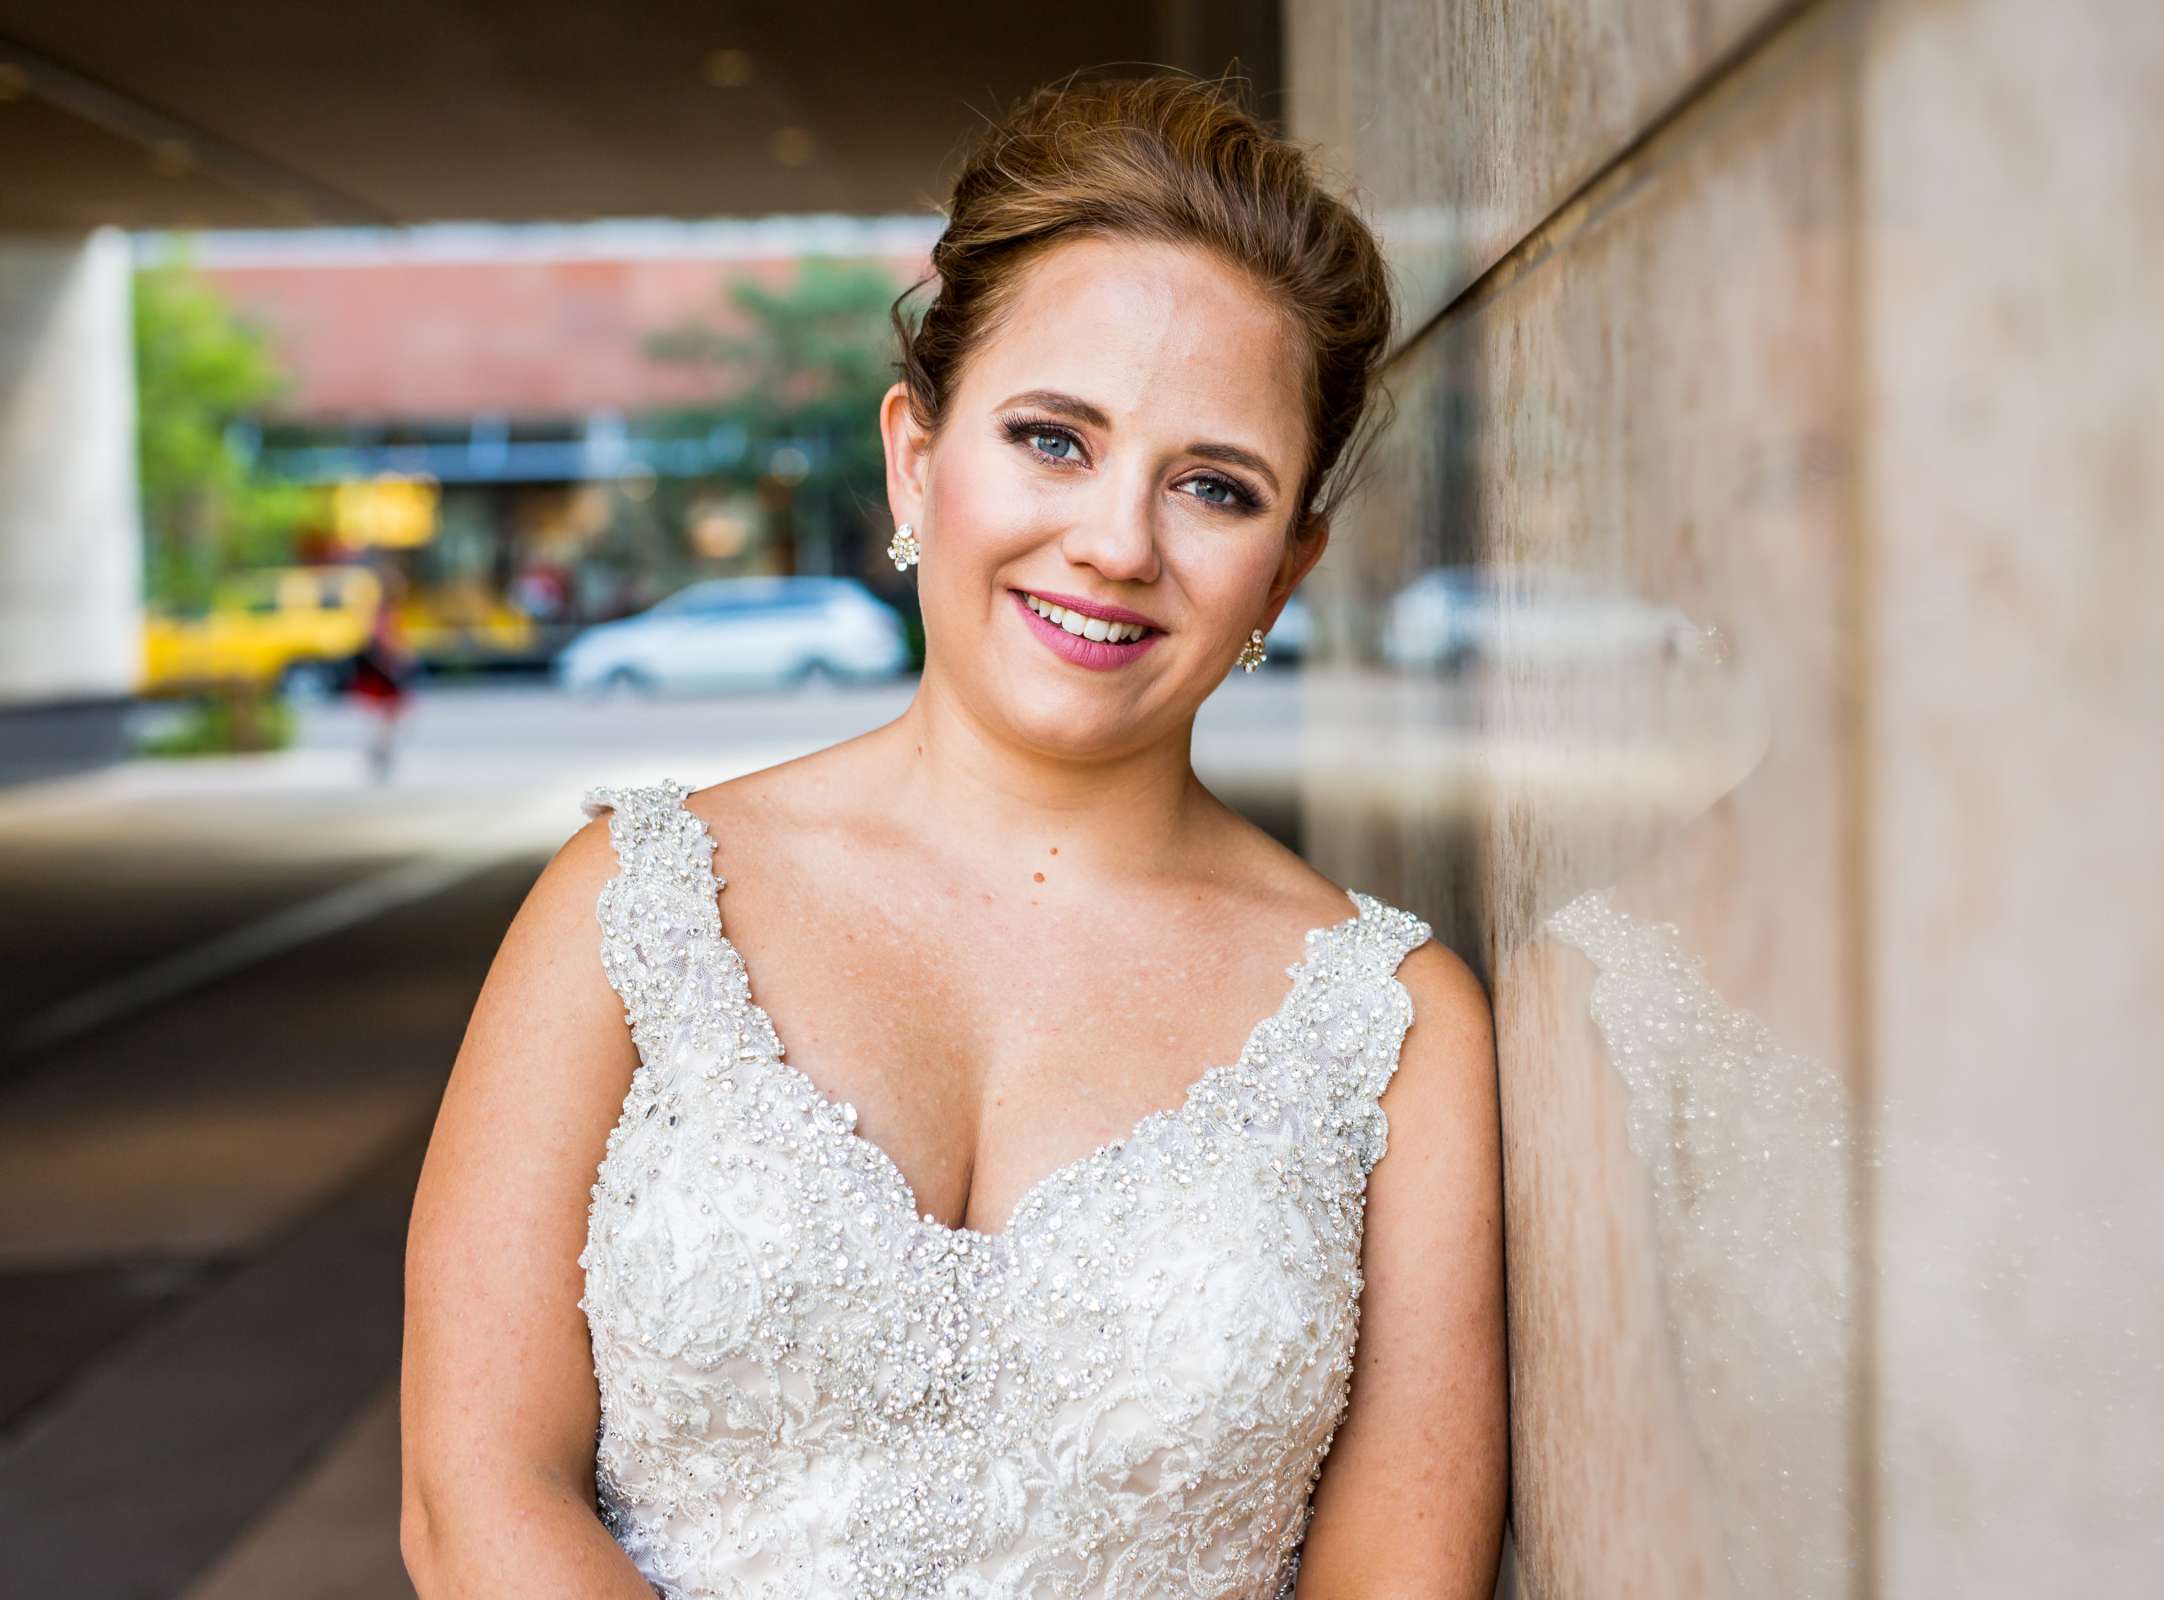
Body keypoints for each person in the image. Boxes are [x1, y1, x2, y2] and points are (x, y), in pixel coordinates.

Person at [399, 73, 1507, 1599]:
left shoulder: (1396, 1035)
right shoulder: (634, 910)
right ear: (919, 458)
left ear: (1289, 567)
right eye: (1055, 439)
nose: (1118, 542)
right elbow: (474, 1498)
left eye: (1213, 486)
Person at [348, 564, 418, 784]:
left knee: (385, 716)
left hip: (382, 669)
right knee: (388, 714)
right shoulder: (386, 613)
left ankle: (380, 750)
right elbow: (388, 641)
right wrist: (399, 659)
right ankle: (380, 751)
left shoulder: (379, 612)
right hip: (385, 669)